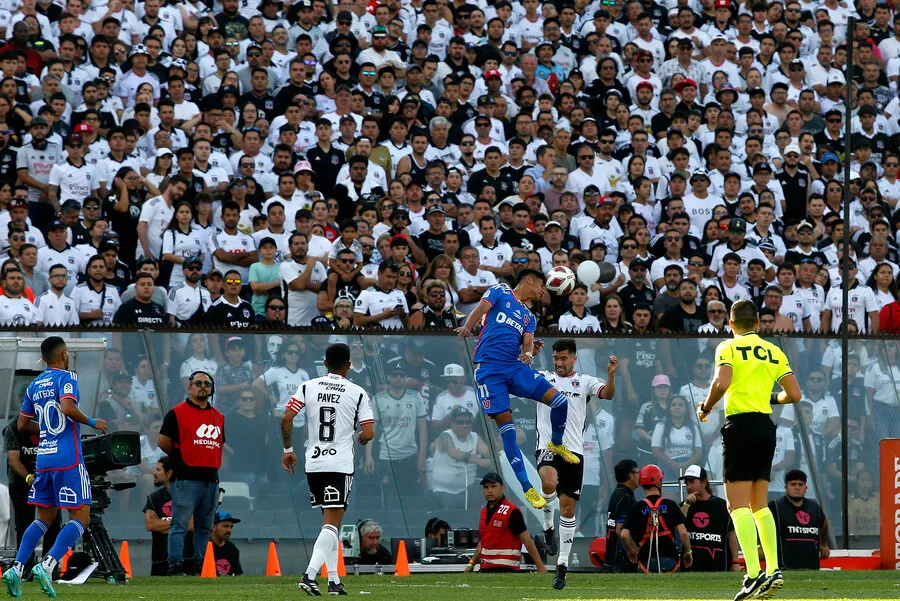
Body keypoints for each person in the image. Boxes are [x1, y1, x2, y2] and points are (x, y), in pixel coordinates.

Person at [697, 299, 802, 601]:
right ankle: (773, 570)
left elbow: (722, 380)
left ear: (730, 325)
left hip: (740, 427)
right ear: (757, 322)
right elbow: (794, 394)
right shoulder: (773, 350)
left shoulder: (727, 347)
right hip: (766, 428)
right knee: (760, 505)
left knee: (737, 505)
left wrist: (705, 407)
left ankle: (753, 574)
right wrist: (773, 398)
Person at [456, 271, 577, 509]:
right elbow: (481, 307)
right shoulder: (501, 291)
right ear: (529, 280)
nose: (543, 290)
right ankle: (527, 487)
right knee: (507, 430)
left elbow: (528, 340)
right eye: (542, 284)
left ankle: (556, 442)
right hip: (490, 371)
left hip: (515, 366)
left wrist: (529, 353)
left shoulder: (528, 317)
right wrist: (468, 326)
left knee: (560, 401)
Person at [2, 336, 108, 599]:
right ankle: (47, 565)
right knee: (81, 518)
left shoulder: (34, 385)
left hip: (44, 459)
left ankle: (16, 568)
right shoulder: (67, 377)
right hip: (68, 459)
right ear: (64, 354)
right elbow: (68, 407)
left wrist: (47, 429)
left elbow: (23, 426)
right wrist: (93, 421)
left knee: (44, 518)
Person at [280, 343, 375, 596]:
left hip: (314, 462)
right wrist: (361, 439)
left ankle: (333, 580)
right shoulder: (358, 392)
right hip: (339, 464)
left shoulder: (307, 386)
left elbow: (286, 418)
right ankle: (309, 575)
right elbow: (369, 432)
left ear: (325, 363)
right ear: (349, 365)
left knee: (329, 523)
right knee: (332, 525)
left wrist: (288, 451)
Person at [537, 338, 617, 589]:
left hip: (574, 452)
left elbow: (608, 394)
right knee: (548, 482)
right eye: (555, 358)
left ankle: (561, 566)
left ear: (574, 358)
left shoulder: (585, 381)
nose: (558, 363)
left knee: (569, 510)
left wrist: (611, 375)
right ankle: (548, 526)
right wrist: (527, 352)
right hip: (548, 447)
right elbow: (518, 373)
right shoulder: (543, 378)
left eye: (563, 358)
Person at [157, 370, 225, 576]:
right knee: (180, 524)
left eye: (207, 383)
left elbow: (218, 445)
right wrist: (181, 457)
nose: (202, 386)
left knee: (204, 527)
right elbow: (162, 442)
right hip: (186, 478)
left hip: (211, 479)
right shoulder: (176, 413)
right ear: (189, 388)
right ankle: (175, 565)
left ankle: (202, 565)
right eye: (198, 383)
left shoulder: (219, 417)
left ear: (211, 389)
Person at [3, 416, 61, 575]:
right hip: (22, 481)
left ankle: (50, 566)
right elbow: (13, 460)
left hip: (48, 478)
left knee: (53, 522)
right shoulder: (13, 428)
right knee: (24, 523)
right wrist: (29, 477)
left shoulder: (52, 423)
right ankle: (25, 566)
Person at [465, 472, 547, 574]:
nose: (489, 490)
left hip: (507, 569)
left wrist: (540, 567)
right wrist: (471, 565)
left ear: (502, 488)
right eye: (486, 487)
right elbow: (483, 542)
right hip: (485, 569)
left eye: (493, 486)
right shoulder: (484, 511)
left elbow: (527, 540)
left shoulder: (512, 511)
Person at [619, 464, 693, 573]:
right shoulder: (671, 505)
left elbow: (624, 535)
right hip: (670, 559)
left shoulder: (636, 508)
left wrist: (630, 551)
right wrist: (688, 553)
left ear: (641, 484)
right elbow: (683, 533)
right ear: (659, 483)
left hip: (646, 561)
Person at [679, 465, 740, 572]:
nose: (688, 487)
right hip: (690, 567)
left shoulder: (722, 505)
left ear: (704, 482)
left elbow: (731, 535)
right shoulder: (683, 506)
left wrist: (735, 562)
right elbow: (678, 527)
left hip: (718, 565)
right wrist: (686, 504)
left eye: (692, 482)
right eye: (686, 483)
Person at [143, 457, 196, 576]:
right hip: (160, 559)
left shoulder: (188, 496)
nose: (154, 473)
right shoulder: (154, 497)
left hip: (186, 558)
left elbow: (192, 525)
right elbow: (150, 524)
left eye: (158, 470)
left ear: (169, 472)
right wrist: (181, 525)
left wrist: (161, 524)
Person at [768, 469, 830, 571]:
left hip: (812, 565)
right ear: (786, 487)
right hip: (784, 565)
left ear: (806, 488)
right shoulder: (775, 506)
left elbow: (824, 524)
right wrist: (760, 546)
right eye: (793, 484)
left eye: (800, 485)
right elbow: (761, 527)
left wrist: (824, 544)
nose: (797, 488)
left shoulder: (814, 507)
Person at [603, 459, 640, 573]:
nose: (640, 476)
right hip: (622, 557)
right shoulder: (624, 496)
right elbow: (621, 531)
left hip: (613, 557)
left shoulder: (618, 493)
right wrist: (634, 550)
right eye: (638, 473)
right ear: (631, 476)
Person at [211, 511, 243, 576]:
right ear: (214, 527)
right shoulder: (202, 546)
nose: (229, 530)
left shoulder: (232, 549)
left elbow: (237, 575)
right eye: (225, 526)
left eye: (231, 527)